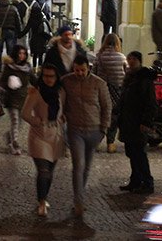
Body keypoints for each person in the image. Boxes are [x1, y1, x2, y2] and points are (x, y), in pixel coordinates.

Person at [62, 55, 111, 218]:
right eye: (76, 70)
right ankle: (79, 200)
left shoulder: (99, 84)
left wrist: (103, 130)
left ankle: (80, 195)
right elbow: (60, 100)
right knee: (78, 165)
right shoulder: (67, 82)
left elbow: (106, 107)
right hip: (75, 130)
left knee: (86, 167)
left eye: (82, 70)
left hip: (94, 131)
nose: (80, 73)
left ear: (88, 68)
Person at [22, 65, 66, 217]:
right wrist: (38, 122)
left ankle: (44, 197)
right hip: (39, 136)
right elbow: (25, 113)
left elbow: (63, 109)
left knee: (50, 170)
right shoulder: (35, 92)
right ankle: (41, 201)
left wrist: (62, 118)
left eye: (51, 76)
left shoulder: (60, 92)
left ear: (56, 77)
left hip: (56, 135)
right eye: (45, 76)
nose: (48, 79)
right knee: (43, 170)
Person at [118, 50, 158, 194]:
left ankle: (147, 182)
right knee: (132, 153)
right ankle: (135, 180)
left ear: (139, 60)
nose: (131, 61)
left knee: (139, 153)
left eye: (134, 59)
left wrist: (146, 122)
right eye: (129, 58)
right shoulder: (130, 77)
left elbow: (150, 103)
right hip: (128, 121)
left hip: (138, 122)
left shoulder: (144, 79)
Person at [93, 33, 128, 153]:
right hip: (117, 91)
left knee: (101, 116)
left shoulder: (99, 57)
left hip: (102, 90)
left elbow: (94, 73)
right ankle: (110, 143)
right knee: (114, 117)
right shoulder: (122, 57)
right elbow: (126, 74)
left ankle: (96, 141)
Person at [0, 47, 32, 155]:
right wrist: (9, 82)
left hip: (23, 98)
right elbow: (1, 81)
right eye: (19, 53)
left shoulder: (27, 67)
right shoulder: (9, 67)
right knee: (15, 121)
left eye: (23, 53)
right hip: (11, 98)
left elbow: (33, 79)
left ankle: (9, 137)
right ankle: (15, 144)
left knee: (20, 123)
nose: (21, 56)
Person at [0, 0, 22, 73]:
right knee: (10, 50)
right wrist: (19, 32)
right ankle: (9, 67)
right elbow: (18, 21)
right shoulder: (13, 8)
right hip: (11, 31)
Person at [19, 0, 51, 69]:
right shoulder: (43, 19)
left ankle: (34, 68)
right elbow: (49, 29)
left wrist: (19, 35)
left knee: (35, 55)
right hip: (42, 40)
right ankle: (40, 68)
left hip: (34, 39)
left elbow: (26, 29)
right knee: (40, 56)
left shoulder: (32, 19)